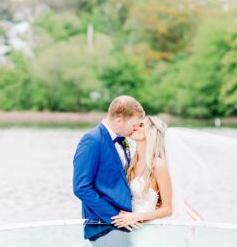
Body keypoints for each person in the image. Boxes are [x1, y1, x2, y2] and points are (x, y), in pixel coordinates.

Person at [73, 95, 145, 224]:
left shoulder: (123, 140)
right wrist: (115, 217)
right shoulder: (92, 141)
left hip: (128, 220)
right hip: (102, 224)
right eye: (134, 125)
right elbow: (81, 188)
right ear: (119, 121)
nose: (136, 129)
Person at [111, 116, 172, 230]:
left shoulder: (158, 165)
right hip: (126, 230)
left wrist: (136, 217)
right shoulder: (131, 163)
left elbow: (167, 209)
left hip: (147, 230)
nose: (135, 127)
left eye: (141, 125)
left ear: (152, 132)